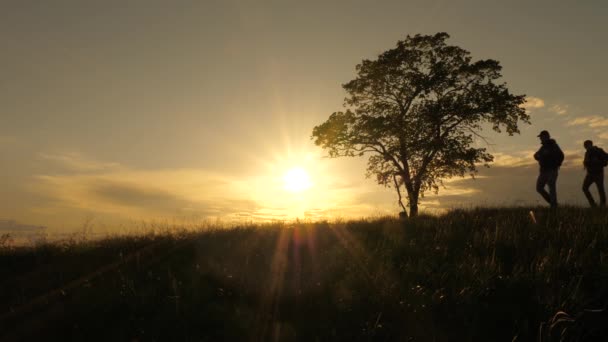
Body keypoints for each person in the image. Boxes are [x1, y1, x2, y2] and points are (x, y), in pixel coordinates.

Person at [534, 130, 564, 208]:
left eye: (541, 137)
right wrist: (538, 157)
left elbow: (561, 155)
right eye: (540, 137)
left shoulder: (553, 145)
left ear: (546, 136)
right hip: (543, 171)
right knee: (539, 188)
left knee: (551, 188)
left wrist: (556, 164)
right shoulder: (543, 147)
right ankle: (553, 203)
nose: (540, 138)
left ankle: (554, 206)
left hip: (552, 170)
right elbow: (536, 155)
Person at [582, 140, 607, 207]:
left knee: (600, 189)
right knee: (585, 188)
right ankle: (594, 205)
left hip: (598, 173)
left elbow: (606, 158)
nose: (585, 147)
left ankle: (601, 205)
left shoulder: (598, 150)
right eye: (585, 146)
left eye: (586, 145)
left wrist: (600, 163)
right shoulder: (587, 152)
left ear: (590, 144)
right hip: (590, 174)